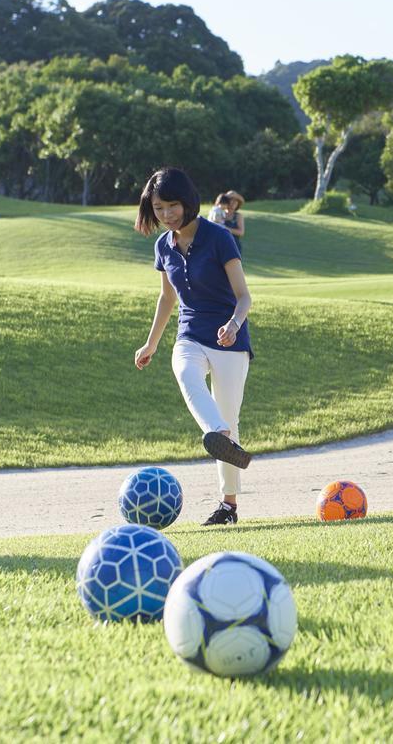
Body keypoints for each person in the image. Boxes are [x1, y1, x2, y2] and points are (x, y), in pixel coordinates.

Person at [133, 168, 255, 526]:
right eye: (159, 208)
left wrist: (233, 325)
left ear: (187, 202)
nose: (167, 214)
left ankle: (228, 506)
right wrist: (150, 343)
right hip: (190, 333)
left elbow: (244, 296)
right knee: (185, 372)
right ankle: (216, 433)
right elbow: (166, 298)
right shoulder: (162, 246)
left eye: (173, 205)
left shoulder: (219, 237)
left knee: (230, 419)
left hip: (230, 341)